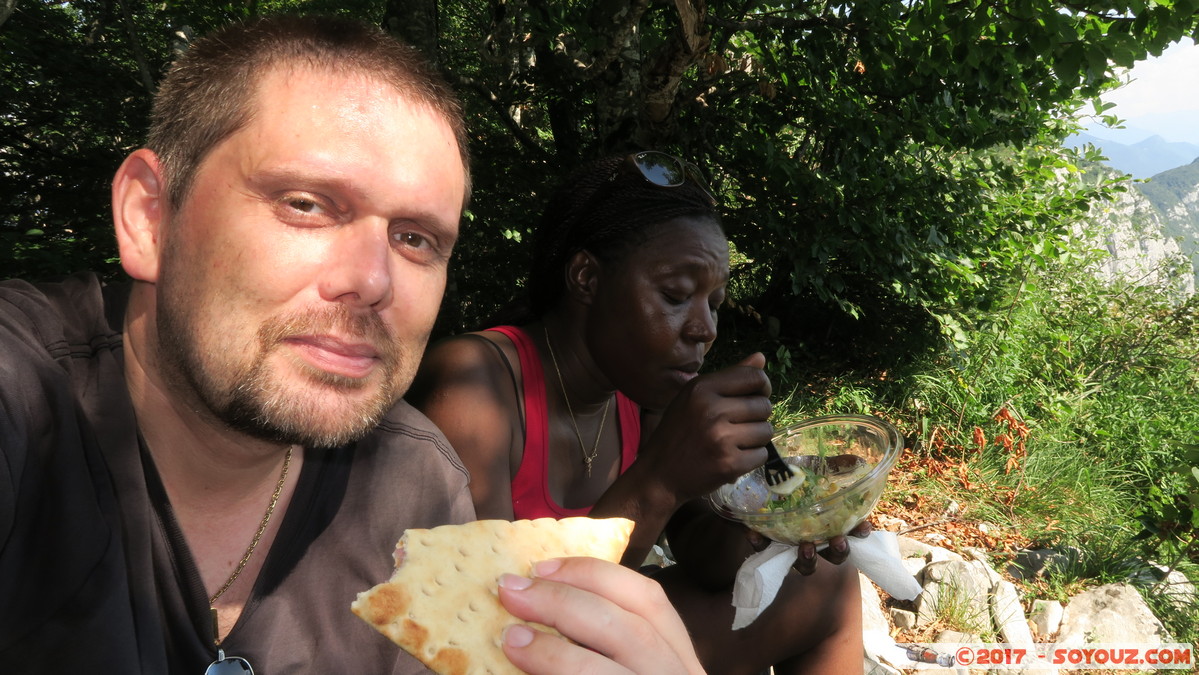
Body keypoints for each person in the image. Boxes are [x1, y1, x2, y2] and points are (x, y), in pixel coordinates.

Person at [0, 16, 704, 675]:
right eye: (305, 204)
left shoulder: (415, 485)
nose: (372, 281)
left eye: (415, 238)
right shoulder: (23, 402)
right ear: (150, 218)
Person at [408, 152, 866, 674]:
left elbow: (707, 562)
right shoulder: (472, 384)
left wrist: (778, 518)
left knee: (828, 585)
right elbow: (487, 624)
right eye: (676, 295)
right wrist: (660, 479)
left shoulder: (642, 392)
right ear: (585, 277)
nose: (704, 329)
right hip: (499, 648)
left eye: (714, 303)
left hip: (586, 639)